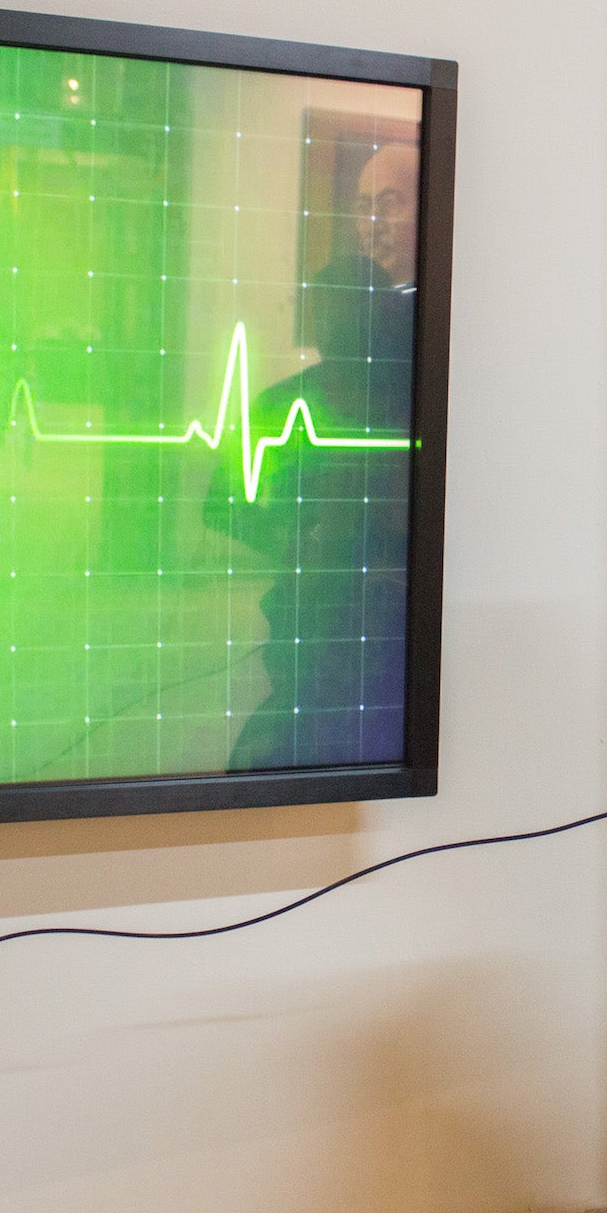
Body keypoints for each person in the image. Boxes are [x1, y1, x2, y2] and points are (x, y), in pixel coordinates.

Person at [207, 142, 417, 770]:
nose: (373, 221)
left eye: (391, 203)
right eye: (362, 206)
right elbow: (227, 504)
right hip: (316, 631)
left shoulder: (420, 380)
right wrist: (301, 538)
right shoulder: (291, 404)